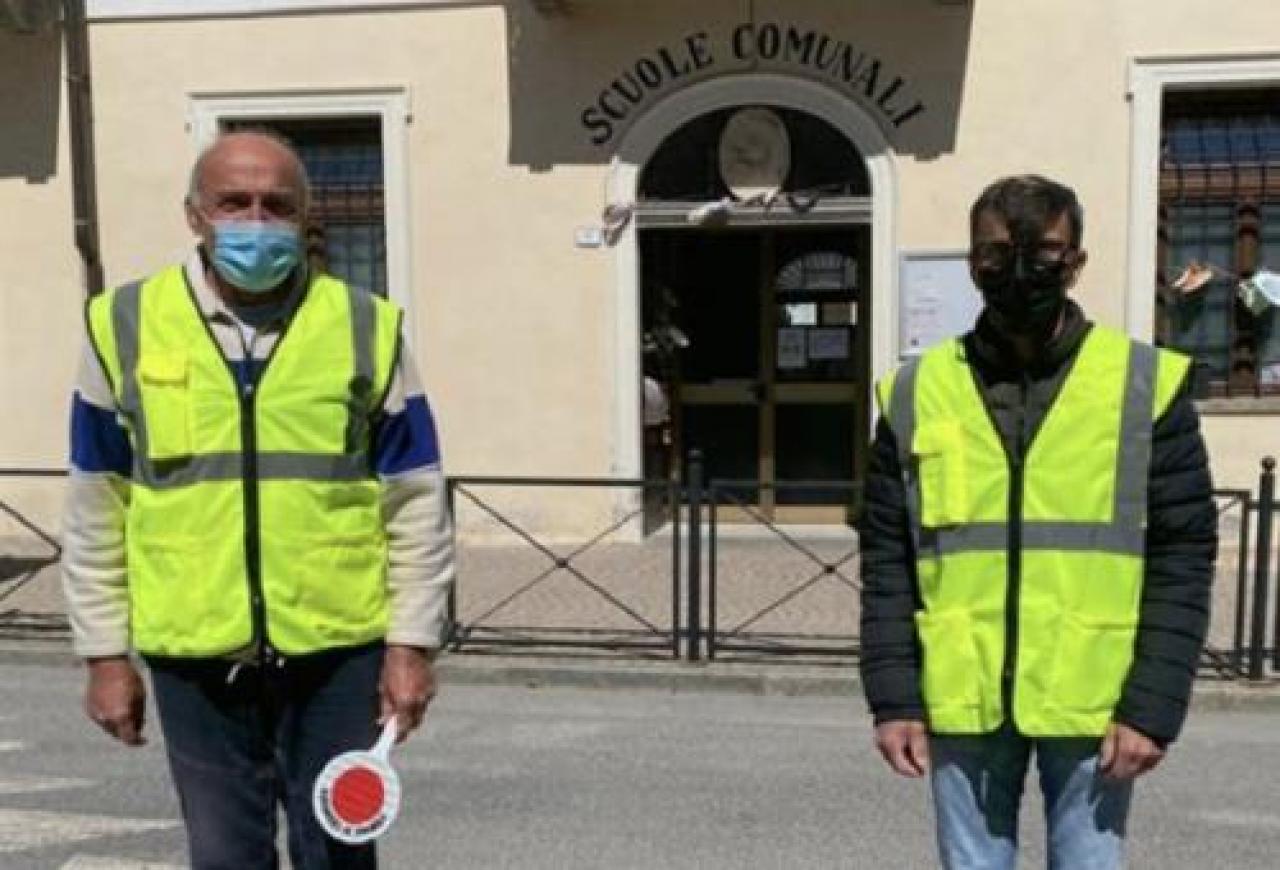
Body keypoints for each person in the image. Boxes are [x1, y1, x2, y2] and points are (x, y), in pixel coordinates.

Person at [61, 130, 456, 870]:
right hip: (194, 655)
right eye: (233, 203)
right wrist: (103, 654)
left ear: (305, 217)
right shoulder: (123, 324)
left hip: (337, 651)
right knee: (223, 858)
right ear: (194, 215)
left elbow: (416, 503)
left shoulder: (367, 325)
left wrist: (412, 645)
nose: (255, 220)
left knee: (339, 851)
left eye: (276, 205)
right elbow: (95, 503)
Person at [858, 175, 1217, 869]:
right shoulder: (915, 391)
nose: (1020, 274)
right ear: (972, 264)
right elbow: (887, 557)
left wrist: (1152, 705)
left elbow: (1183, 554)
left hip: (1094, 695)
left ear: (1076, 262)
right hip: (962, 691)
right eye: (997, 255)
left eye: (1044, 254)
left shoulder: (1142, 384)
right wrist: (894, 696)